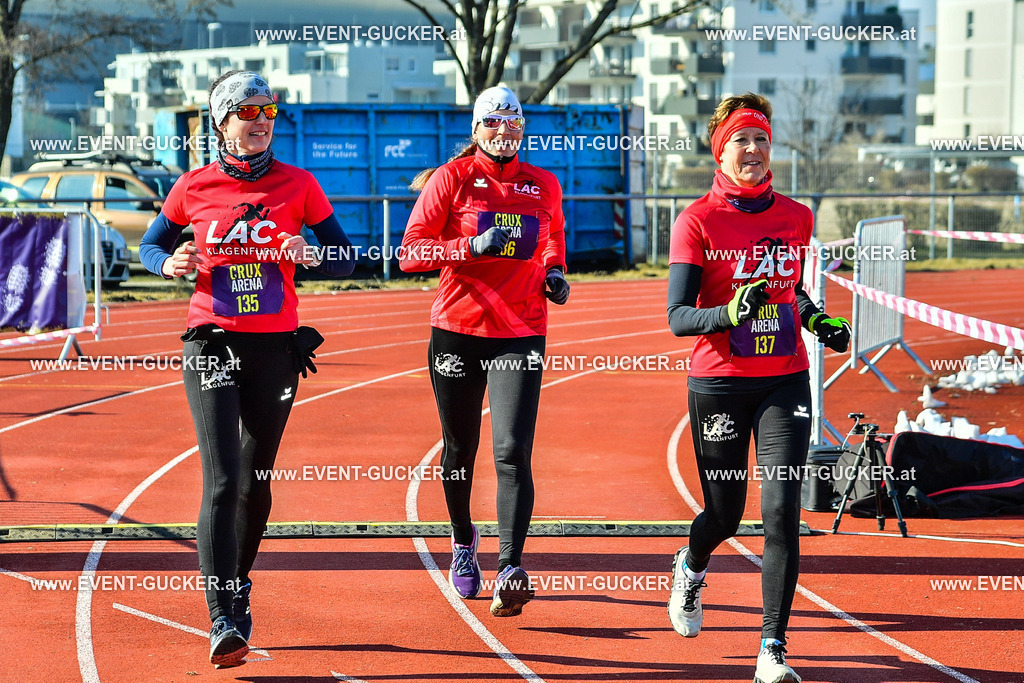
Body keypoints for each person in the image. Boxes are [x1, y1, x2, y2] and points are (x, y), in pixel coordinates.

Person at [139, 70, 355, 668]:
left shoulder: (299, 184)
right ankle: (221, 615)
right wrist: (168, 262)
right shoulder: (193, 186)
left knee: (257, 480)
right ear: (221, 123)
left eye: (269, 111)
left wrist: (313, 253)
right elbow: (150, 246)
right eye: (247, 112)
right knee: (224, 479)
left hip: (275, 350)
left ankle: (240, 583)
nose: (261, 121)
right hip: (212, 344)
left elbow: (348, 259)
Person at [664, 93, 850, 683]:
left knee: (781, 514)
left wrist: (816, 318)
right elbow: (677, 316)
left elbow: (791, 290)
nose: (753, 150)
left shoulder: (796, 216)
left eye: (762, 140)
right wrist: (726, 314)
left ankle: (772, 649)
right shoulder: (696, 221)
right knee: (724, 513)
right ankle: (692, 566)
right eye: (741, 141)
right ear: (721, 153)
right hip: (720, 383)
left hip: (784, 379)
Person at [400, 86, 569, 617]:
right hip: (458, 329)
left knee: (512, 449)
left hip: (521, 331)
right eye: (492, 123)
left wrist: (556, 274)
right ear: (475, 130)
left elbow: (552, 241)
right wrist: (468, 247)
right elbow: (409, 253)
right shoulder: (452, 180)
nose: (503, 132)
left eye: (512, 124)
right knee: (459, 449)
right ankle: (462, 539)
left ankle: (512, 567)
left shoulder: (542, 184)